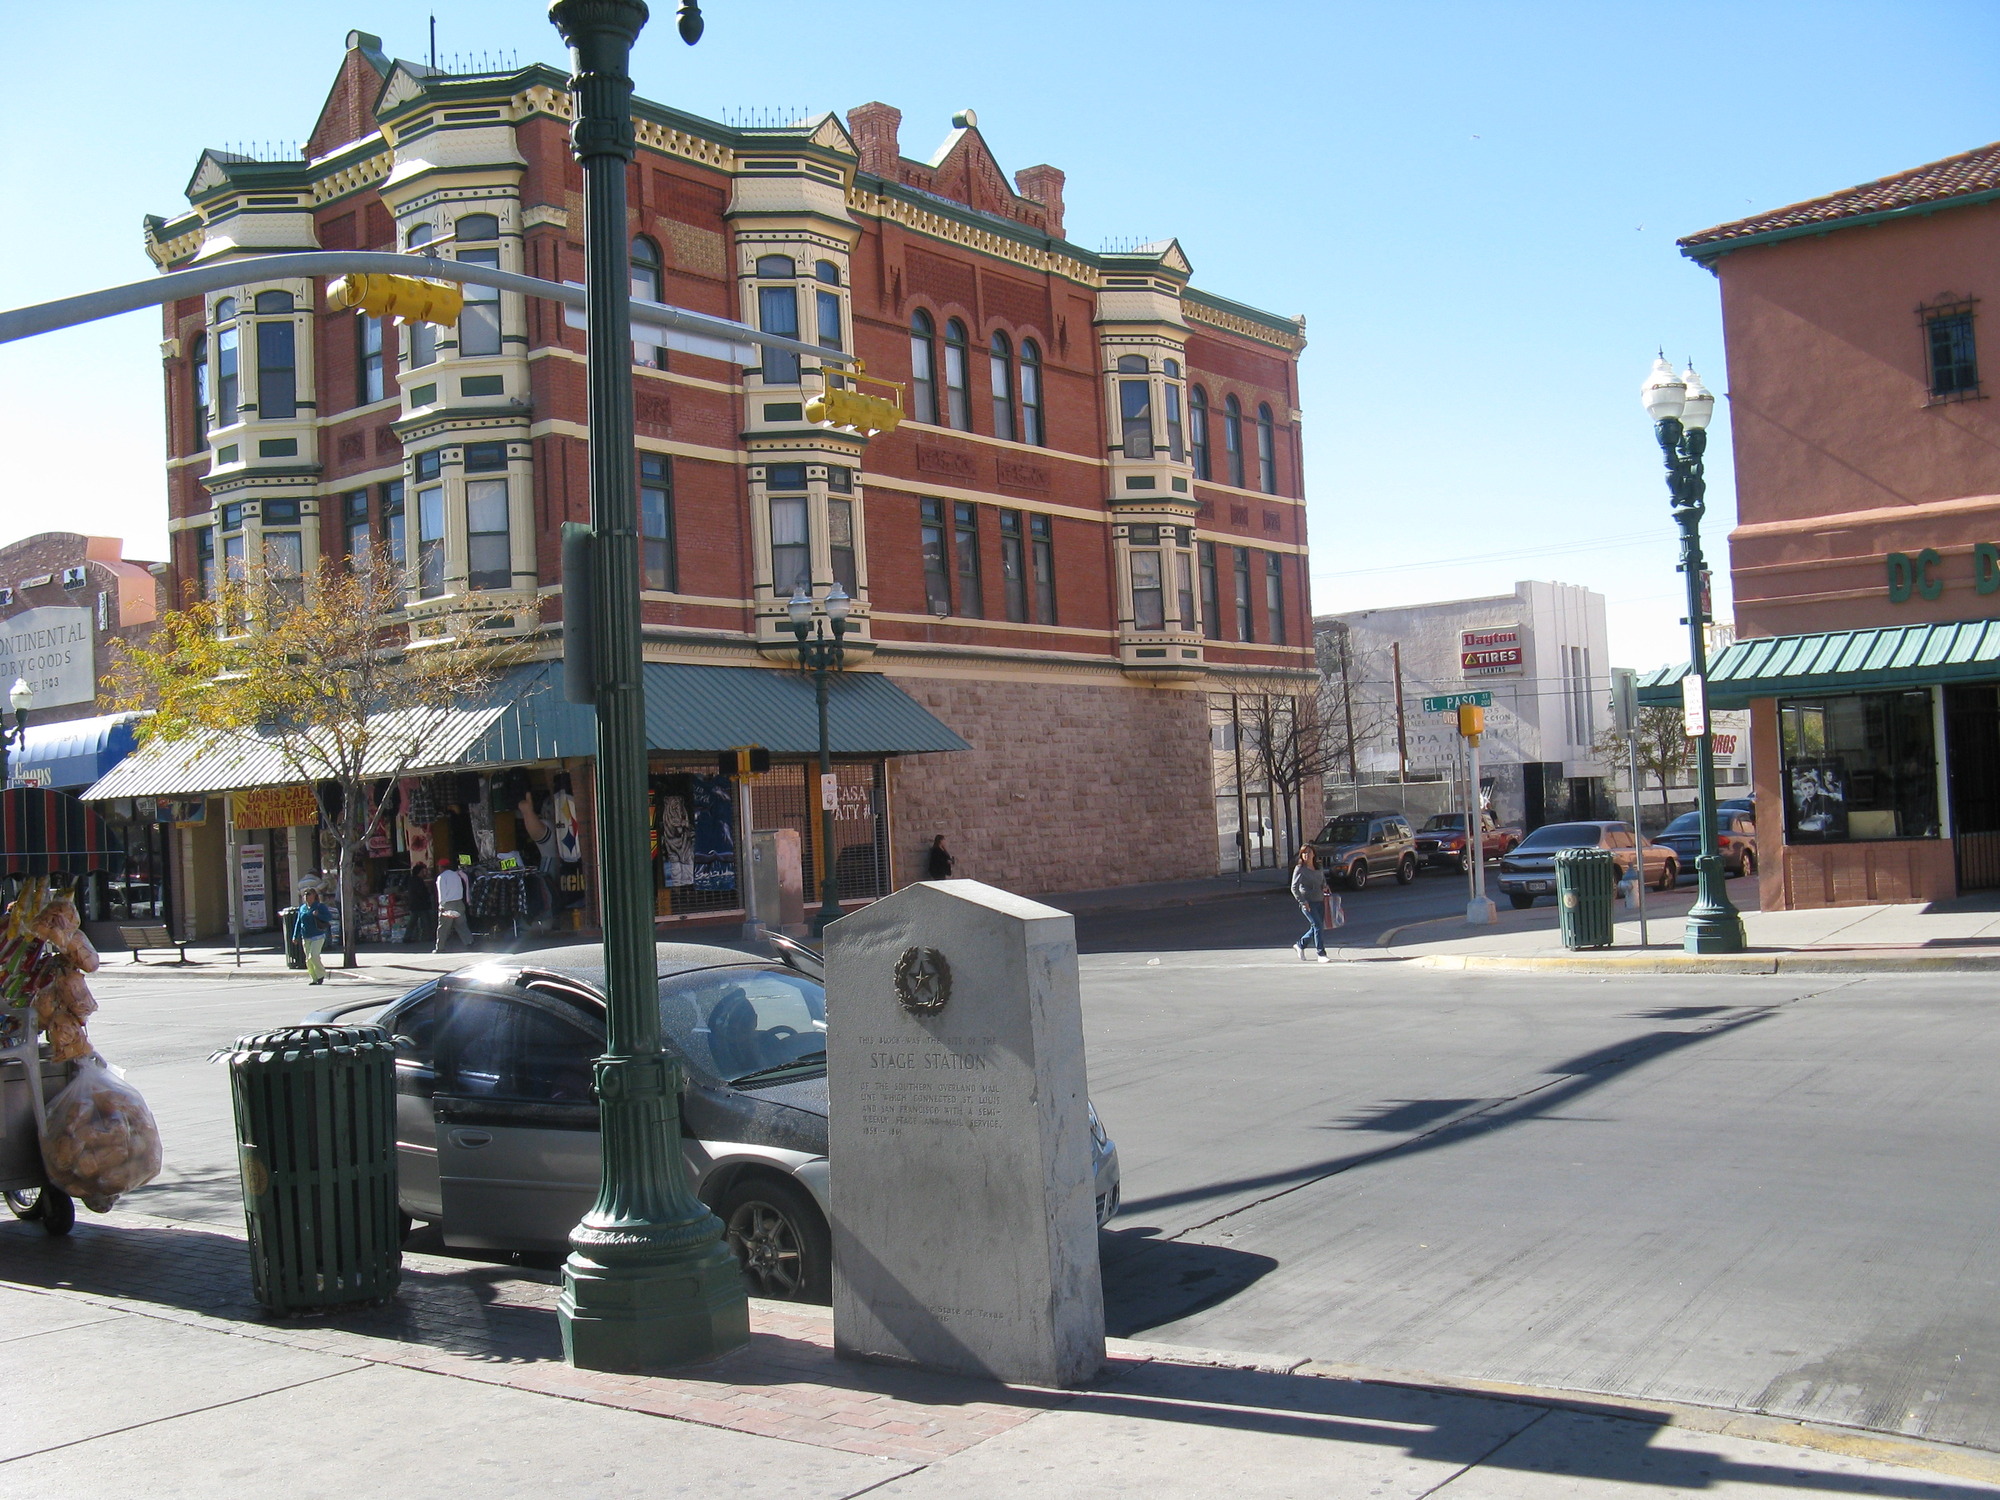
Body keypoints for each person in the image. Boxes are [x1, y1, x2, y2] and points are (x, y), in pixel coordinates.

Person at [1290, 846, 1332, 963]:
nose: (1306, 855)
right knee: (1318, 926)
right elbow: (1294, 887)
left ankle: (1300, 945)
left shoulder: (1318, 867)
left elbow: (1322, 880)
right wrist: (1303, 901)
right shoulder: (1300, 869)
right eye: (1303, 853)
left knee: (1316, 927)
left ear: (1313, 854)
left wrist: (1325, 886)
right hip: (1308, 902)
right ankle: (1321, 953)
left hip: (1320, 900)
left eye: (1309, 852)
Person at [292, 887, 335, 985]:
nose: (307, 897)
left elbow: (329, 917)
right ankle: (314, 978)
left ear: (314, 896)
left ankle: (321, 974)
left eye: (309, 894)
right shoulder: (302, 908)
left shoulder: (319, 906)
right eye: (305, 895)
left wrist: (318, 915)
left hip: (318, 935)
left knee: (314, 956)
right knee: (308, 960)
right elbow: (299, 922)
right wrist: (295, 936)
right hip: (306, 936)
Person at [433, 856, 473, 953]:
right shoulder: (456, 875)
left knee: (443, 928)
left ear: (441, 867)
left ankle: (440, 947)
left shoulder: (441, 877)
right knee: (462, 925)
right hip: (459, 903)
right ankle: (469, 942)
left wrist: (441, 906)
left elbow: (442, 893)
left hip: (448, 904)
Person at [405, 862, 436, 948]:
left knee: (412, 922)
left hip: (414, 904)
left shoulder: (411, 880)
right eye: (423, 872)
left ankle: (407, 937)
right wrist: (427, 893)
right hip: (420, 904)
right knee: (425, 921)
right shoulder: (418, 881)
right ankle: (428, 937)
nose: (425, 873)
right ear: (419, 872)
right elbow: (421, 892)